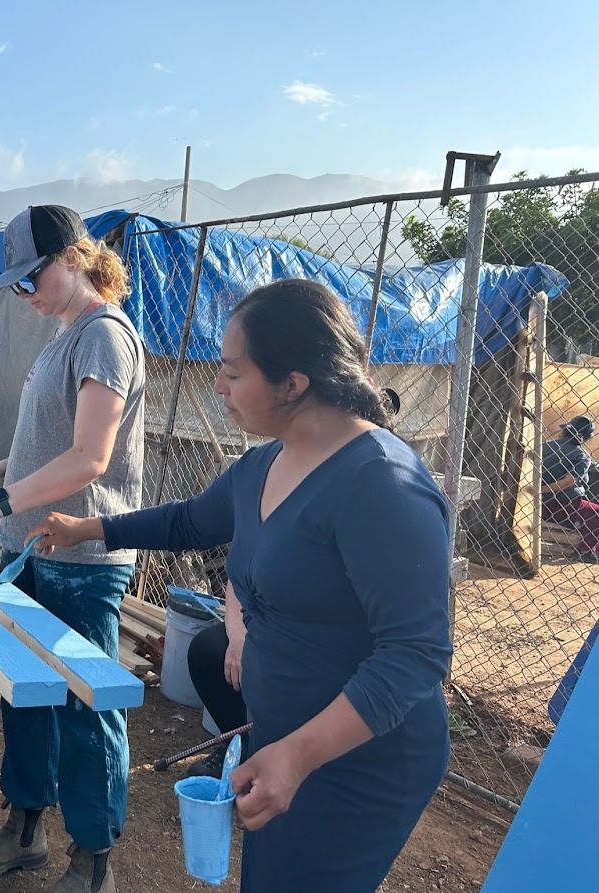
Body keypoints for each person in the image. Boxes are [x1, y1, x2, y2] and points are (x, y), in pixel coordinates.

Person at [30, 279, 452, 892]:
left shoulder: (380, 485)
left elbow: (416, 656)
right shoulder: (265, 463)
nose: (218, 388)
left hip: (359, 758)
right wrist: (86, 526)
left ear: (293, 384)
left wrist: (300, 754)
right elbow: (188, 521)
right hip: (285, 738)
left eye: (232, 373)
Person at [0, 205, 145, 893]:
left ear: (71, 257)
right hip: (35, 550)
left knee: (87, 709)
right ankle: (26, 829)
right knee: (25, 695)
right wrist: (4, 468)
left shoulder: (105, 336)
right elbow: (59, 439)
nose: (23, 293)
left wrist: (0, 503)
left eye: (30, 277)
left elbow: (92, 458)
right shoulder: (65, 332)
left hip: (81, 561)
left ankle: (93, 858)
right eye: (16, 284)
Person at [183, 579, 250, 777]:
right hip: (264, 620)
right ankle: (238, 745)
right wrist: (238, 637)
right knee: (207, 649)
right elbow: (237, 581)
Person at [540, 414, 598, 563]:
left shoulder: (543, 447)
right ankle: (586, 550)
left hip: (533, 502)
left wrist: (535, 492)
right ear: (586, 439)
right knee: (595, 512)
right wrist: (542, 491)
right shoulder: (582, 456)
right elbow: (568, 482)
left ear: (565, 431)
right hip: (560, 506)